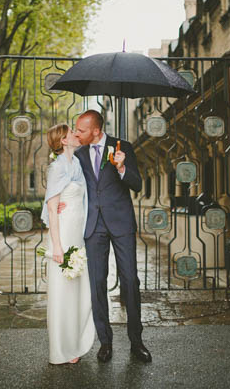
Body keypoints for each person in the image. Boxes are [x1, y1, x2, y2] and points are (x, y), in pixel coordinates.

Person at [70, 109, 152, 363]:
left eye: (80, 130)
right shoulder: (78, 154)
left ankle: (136, 341)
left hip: (122, 224)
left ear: (96, 130)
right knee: (96, 284)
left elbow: (137, 184)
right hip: (93, 227)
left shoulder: (122, 146)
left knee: (130, 281)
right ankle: (105, 342)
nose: (76, 133)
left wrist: (121, 167)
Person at [41, 124, 95, 364]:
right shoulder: (56, 168)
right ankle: (61, 348)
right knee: (62, 291)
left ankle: (75, 342)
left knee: (77, 291)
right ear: (63, 141)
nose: (76, 134)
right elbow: (52, 210)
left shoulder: (77, 164)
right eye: (71, 133)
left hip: (78, 233)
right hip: (63, 234)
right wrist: (57, 246)